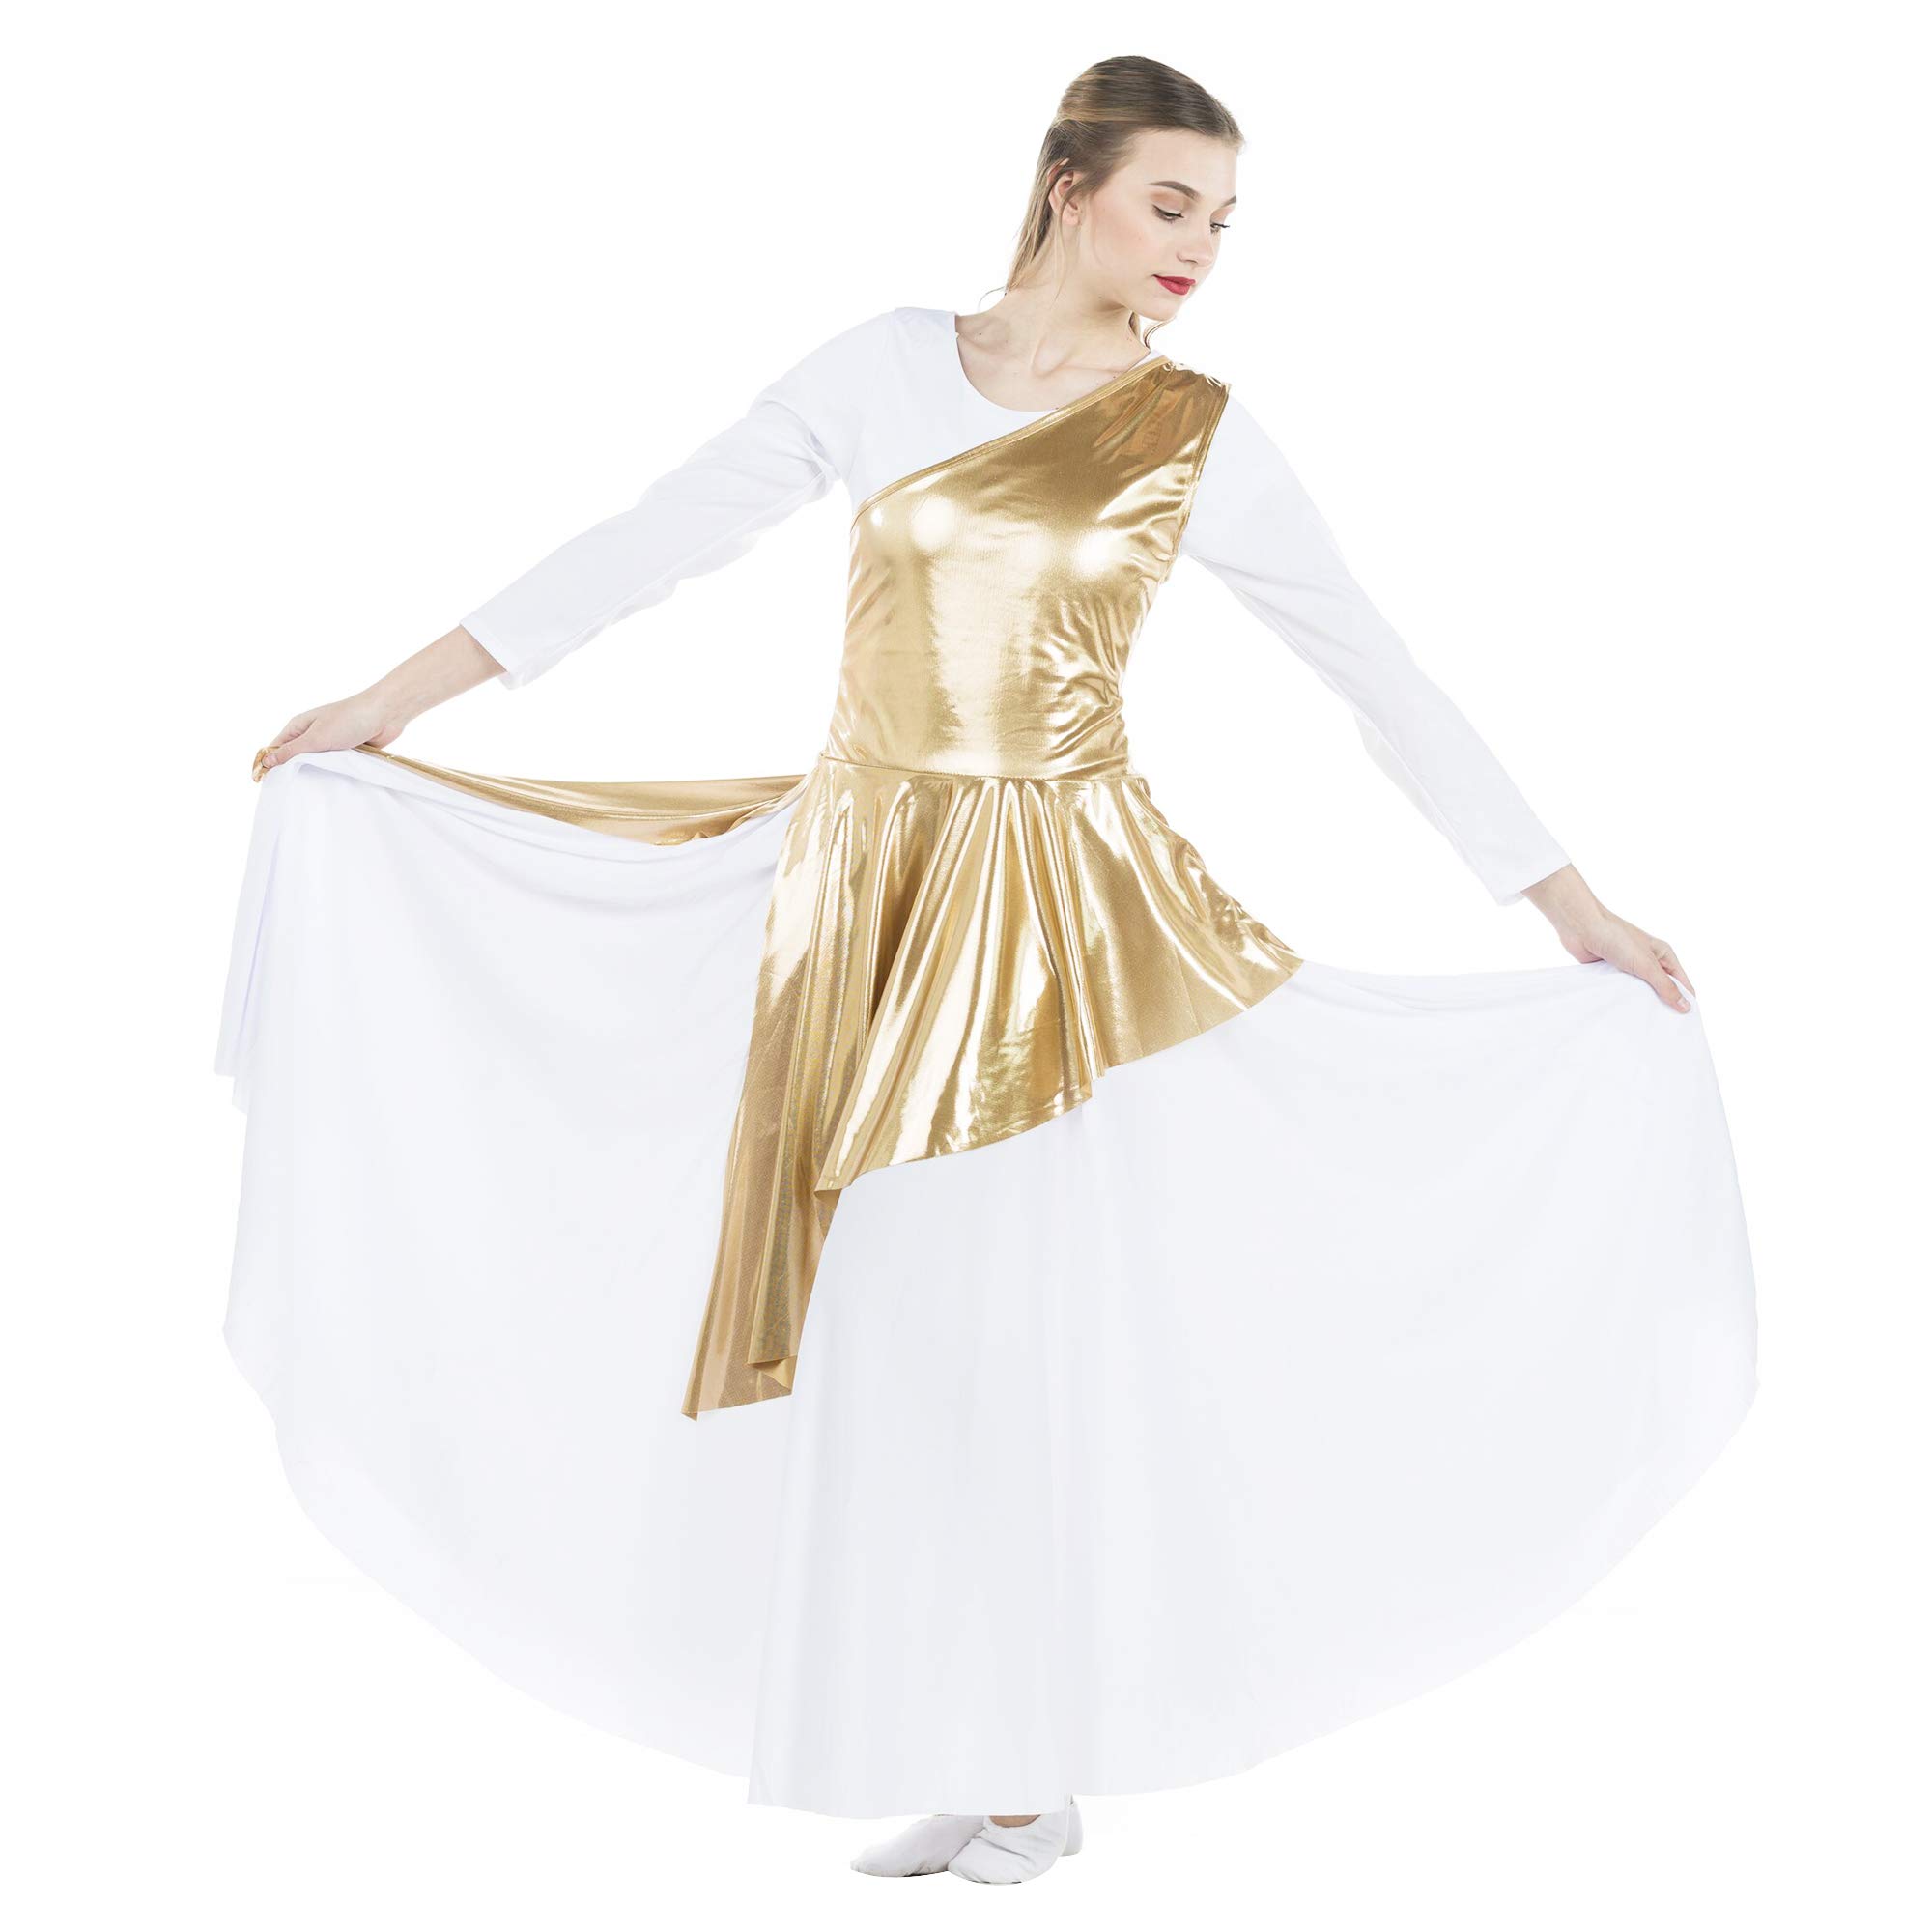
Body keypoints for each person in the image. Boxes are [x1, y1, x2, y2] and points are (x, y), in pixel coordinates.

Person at [219, 56, 1756, 1885]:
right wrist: (390, 703)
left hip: (1054, 920)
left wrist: (1568, 905)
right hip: (856, 893)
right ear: (1067, 187)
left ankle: (1031, 1770)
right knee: (890, 1343)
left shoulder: (1191, 431)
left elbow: (1376, 670)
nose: (1200, 248)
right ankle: (980, 1749)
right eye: (1170, 204)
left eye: (1224, 220)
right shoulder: (884, 367)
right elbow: (652, 539)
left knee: (1002, 1337)